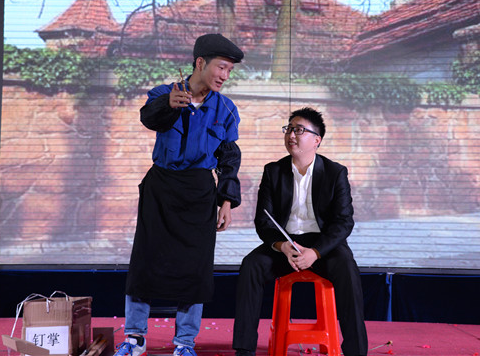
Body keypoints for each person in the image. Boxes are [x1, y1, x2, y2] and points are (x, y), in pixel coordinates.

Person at [114, 33, 244, 356]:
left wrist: (226, 201)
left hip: (199, 193)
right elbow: (149, 118)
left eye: (229, 71)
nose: (225, 76)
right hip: (161, 189)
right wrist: (168, 105)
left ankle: (185, 343)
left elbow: (229, 158)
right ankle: (134, 338)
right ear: (200, 63)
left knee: (195, 269)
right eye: (221, 68)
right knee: (144, 263)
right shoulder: (164, 94)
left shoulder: (226, 110)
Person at [232, 107, 368, 356]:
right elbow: (264, 221)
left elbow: (343, 222)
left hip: (322, 246)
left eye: (299, 130)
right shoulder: (273, 171)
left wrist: (315, 252)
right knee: (251, 265)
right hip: (285, 245)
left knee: (347, 268)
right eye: (289, 129)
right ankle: (244, 349)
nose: (291, 135)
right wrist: (282, 246)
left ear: (317, 140)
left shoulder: (335, 172)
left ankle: (356, 351)